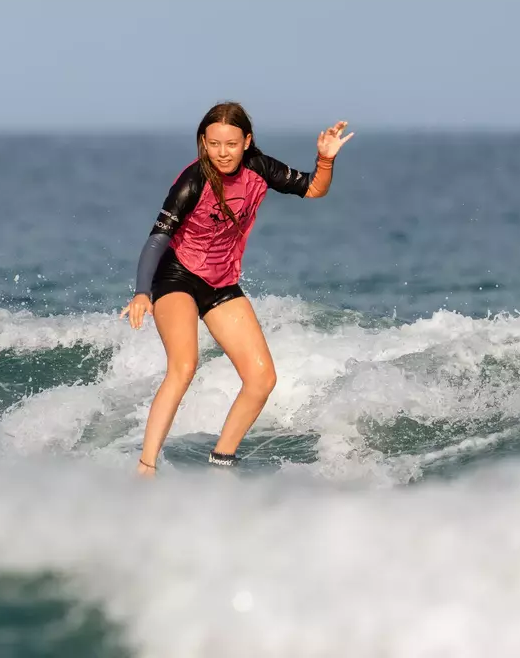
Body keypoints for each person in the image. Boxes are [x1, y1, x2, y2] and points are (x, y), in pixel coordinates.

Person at [122, 102, 353, 476]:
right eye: (214, 144)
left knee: (262, 378)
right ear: (203, 142)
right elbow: (156, 240)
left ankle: (221, 461)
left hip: (221, 281)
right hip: (176, 276)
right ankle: (146, 468)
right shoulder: (192, 181)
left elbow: (313, 189)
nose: (222, 153)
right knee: (183, 367)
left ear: (247, 141)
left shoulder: (259, 168)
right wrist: (141, 292)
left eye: (230, 144)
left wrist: (325, 160)